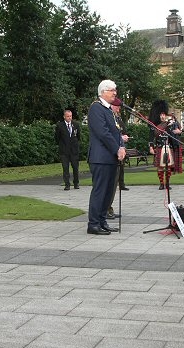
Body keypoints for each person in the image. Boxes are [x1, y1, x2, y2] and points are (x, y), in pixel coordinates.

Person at [86, 80, 126, 236]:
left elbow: (116, 132)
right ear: (102, 92)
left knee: (109, 192)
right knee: (100, 191)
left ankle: (102, 221)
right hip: (100, 157)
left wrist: (121, 146)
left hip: (111, 158)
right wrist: (117, 148)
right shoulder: (96, 108)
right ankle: (93, 224)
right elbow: (103, 133)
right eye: (111, 90)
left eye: (115, 90)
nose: (115, 93)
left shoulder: (108, 110)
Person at [148, 100, 183, 190]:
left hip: (168, 147)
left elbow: (176, 132)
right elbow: (151, 137)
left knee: (168, 167)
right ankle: (161, 183)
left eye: (164, 114)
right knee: (160, 167)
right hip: (159, 147)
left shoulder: (169, 124)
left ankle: (167, 183)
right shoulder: (154, 126)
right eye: (161, 115)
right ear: (158, 115)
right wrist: (151, 147)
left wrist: (179, 131)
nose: (163, 116)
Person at [107, 97, 130, 220]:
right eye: (117, 107)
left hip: (118, 154)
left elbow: (120, 131)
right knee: (109, 185)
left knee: (114, 184)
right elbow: (108, 135)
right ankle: (106, 209)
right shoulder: (109, 117)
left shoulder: (117, 118)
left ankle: (109, 208)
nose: (118, 109)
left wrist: (122, 137)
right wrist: (121, 138)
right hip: (110, 155)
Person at [54, 109, 81, 190]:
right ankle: (67, 184)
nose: (69, 118)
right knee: (65, 168)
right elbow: (57, 138)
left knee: (75, 167)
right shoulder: (60, 126)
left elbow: (78, 136)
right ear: (64, 117)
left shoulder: (76, 124)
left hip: (74, 150)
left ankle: (76, 183)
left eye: (70, 116)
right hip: (64, 151)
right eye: (68, 116)